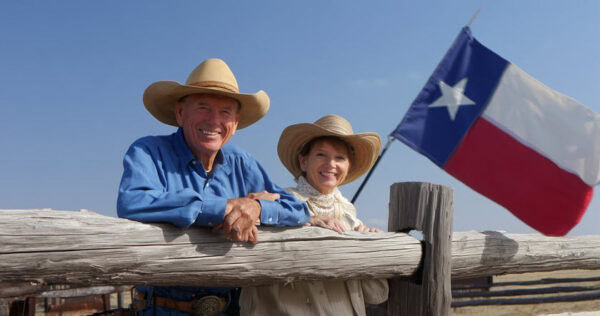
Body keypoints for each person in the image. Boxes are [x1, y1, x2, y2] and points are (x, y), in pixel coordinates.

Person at [117, 58, 310, 315]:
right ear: (180, 113)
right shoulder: (149, 152)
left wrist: (256, 208)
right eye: (203, 107)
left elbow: (298, 209)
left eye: (225, 112)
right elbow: (133, 202)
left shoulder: (241, 161)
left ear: (236, 122)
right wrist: (223, 207)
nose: (214, 120)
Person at [240, 114, 389, 316]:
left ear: (348, 166)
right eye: (321, 155)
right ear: (303, 161)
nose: (331, 164)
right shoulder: (279, 202)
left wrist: (370, 245)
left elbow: (377, 295)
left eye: (340, 158)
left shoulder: (350, 215)